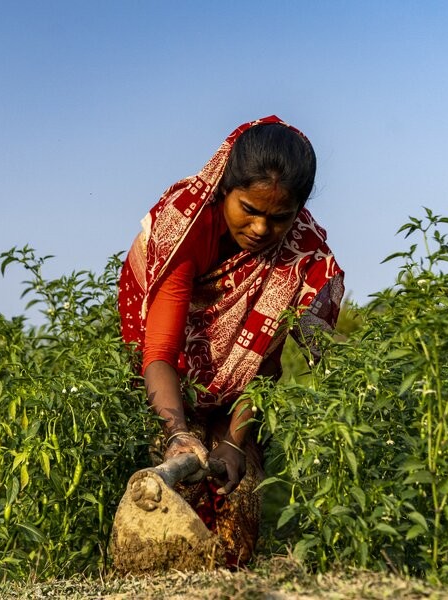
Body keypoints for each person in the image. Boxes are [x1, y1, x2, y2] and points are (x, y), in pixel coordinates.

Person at [118, 115, 344, 566]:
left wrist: (236, 442)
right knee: (161, 518)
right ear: (225, 190)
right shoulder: (186, 231)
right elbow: (159, 351)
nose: (261, 229)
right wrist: (179, 435)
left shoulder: (298, 258)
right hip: (166, 385)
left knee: (237, 501)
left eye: (279, 217)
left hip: (241, 396)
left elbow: (264, 362)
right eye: (250, 209)